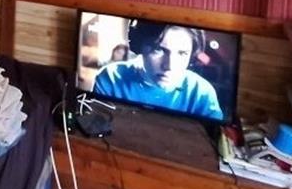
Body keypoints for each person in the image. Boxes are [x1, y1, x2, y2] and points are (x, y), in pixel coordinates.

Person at [93, 24, 222, 119]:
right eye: (158, 50)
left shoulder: (201, 93)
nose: (169, 66)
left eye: (182, 53)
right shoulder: (111, 78)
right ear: (140, 47)